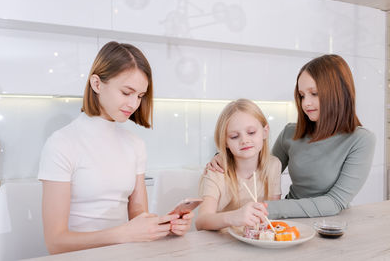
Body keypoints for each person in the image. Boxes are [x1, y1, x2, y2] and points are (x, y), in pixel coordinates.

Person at [38, 41, 193, 254]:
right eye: (126, 92)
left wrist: (165, 226)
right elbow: (55, 242)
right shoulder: (62, 143)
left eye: (140, 96)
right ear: (97, 84)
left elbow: (138, 217)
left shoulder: (135, 145)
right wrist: (124, 234)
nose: (134, 104)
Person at [206, 54, 376, 219]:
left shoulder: (361, 140)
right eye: (302, 95)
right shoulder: (291, 133)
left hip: (330, 225)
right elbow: (260, 170)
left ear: (338, 93)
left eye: (314, 94)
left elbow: (334, 202)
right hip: (289, 222)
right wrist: (223, 158)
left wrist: (266, 209)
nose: (305, 103)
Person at [196, 99, 281, 231]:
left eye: (251, 132)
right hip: (222, 243)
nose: (244, 140)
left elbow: (274, 213)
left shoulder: (273, 165)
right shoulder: (216, 171)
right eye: (235, 136)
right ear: (225, 142)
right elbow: (201, 222)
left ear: (265, 131)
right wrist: (234, 217)